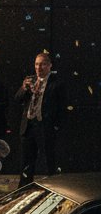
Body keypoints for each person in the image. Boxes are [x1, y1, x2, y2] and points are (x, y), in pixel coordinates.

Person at [15, 51, 67, 186]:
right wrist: (23, 88)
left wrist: (56, 126)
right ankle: (24, 189)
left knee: (48, 160)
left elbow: (62, 108)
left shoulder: (57, 83)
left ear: (50, 66)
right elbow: (17, 99)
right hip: (28, 126)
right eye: (36, 64)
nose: (39, 68)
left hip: (45, 127)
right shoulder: (30, 80)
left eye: (43, 64)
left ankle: (54, 187)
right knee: (26, 162)